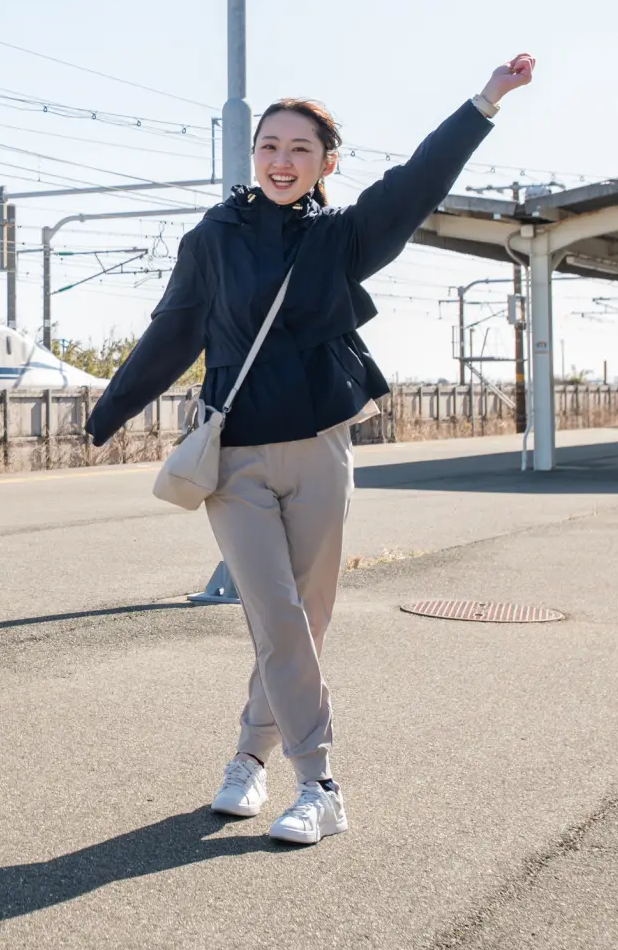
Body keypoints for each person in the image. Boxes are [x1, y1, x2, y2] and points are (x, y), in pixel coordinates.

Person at [83, 55, 536, 845]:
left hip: (322, 447)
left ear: (328, 163)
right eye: (268, 145)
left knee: (304, 620)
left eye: (299, 148)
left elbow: (417, 183)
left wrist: (484, 102)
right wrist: (109, 409)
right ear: (251, 155)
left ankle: (247, 758)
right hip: (237, 461)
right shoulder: (212, 238)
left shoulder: (343, 239)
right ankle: (319, 782)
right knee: (275, 611)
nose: (280, 160)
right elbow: (172, 331)